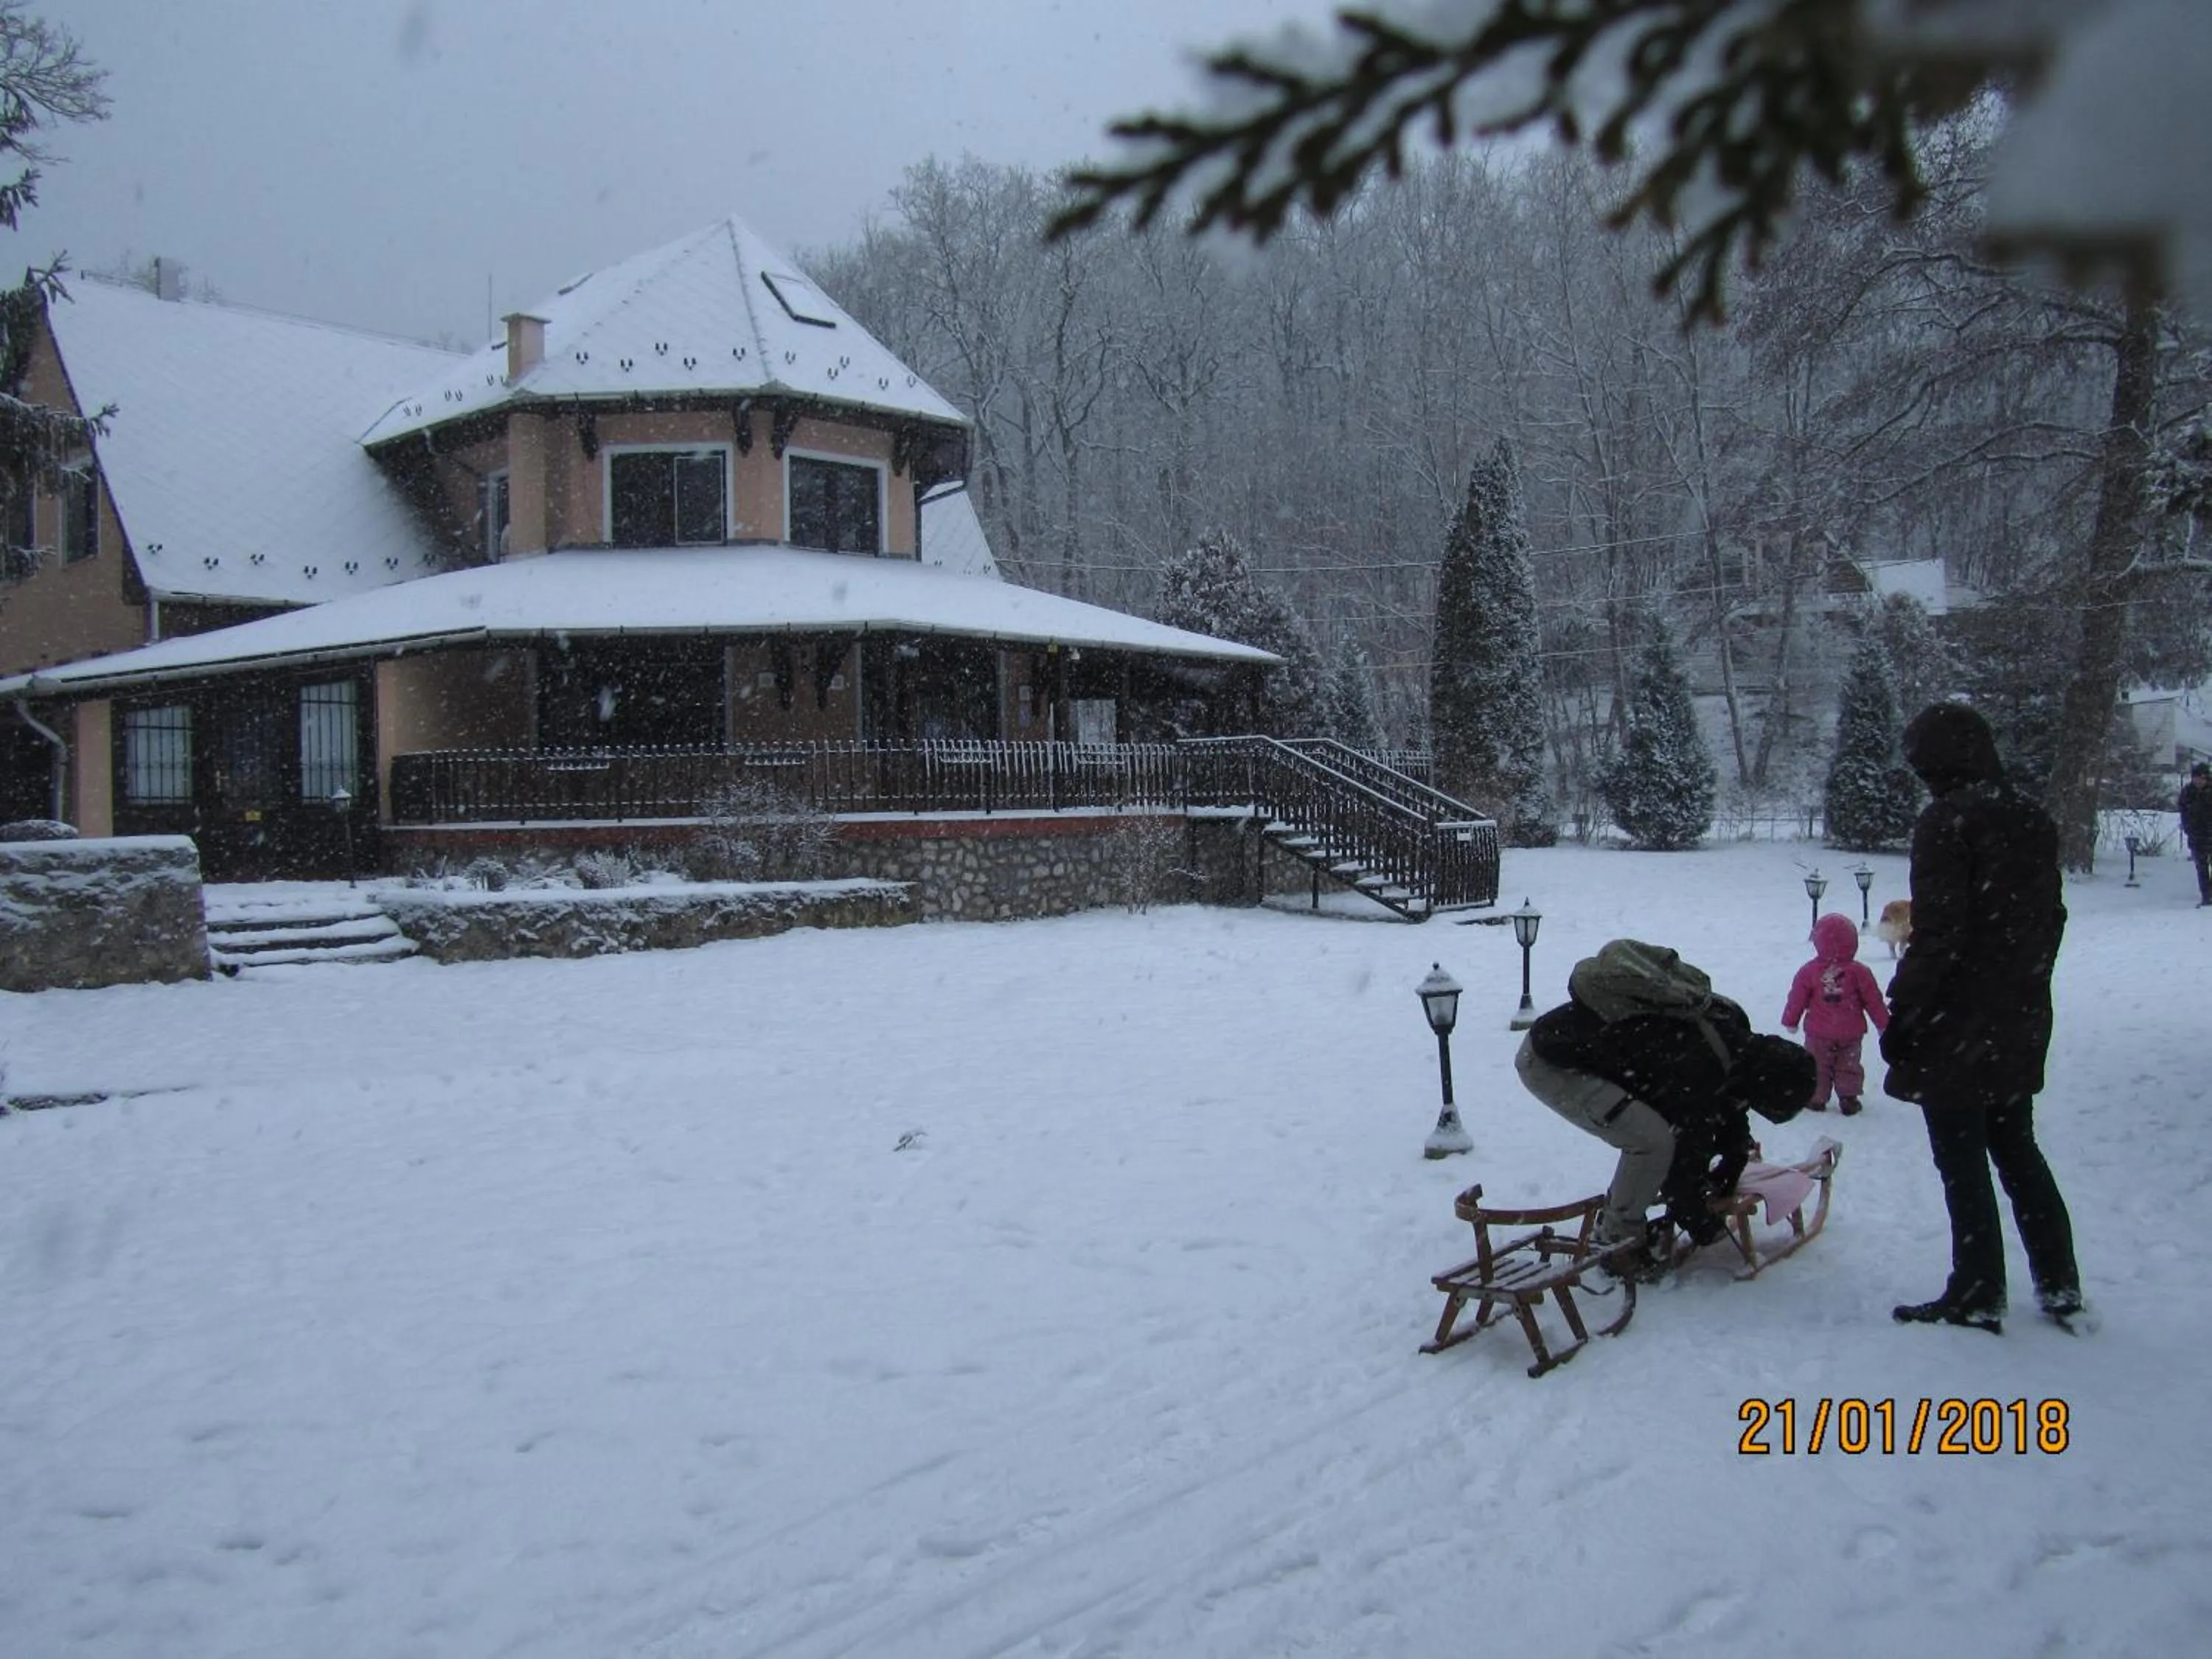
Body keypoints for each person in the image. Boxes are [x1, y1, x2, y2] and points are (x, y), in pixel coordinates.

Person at [1882, 702, 2082, 1335]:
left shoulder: (1948, 821)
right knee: (2017, 1147)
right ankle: (2059, 1283)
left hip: (1958, 1016)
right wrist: (2021, 987)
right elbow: (2050, 919)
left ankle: (1977, 1289)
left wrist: (1908, 1007)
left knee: (1963, 1157)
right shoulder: (2029, 816)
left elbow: (1939, 931)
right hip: (2017, 1009)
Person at [1516, 940, 1814, 1267]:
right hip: (1552, 1063)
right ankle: (1617, 1241)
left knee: (1660, 1136)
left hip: (1584, 1044)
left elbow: (1730, 1103)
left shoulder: (1732, 1031)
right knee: (1651, 1142)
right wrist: (1703, 1224)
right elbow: (1681, 1166)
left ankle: (1623, 1219)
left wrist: (1733, 1157)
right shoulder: (1694, 1070)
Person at [1781, 912, 1890, 1116]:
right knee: (1848, 1064)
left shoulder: (1809, 972)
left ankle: (1816, 1097)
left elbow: (1797, 998)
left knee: (1818, 1065)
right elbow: (1873, 1000)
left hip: (1818, 1031)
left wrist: (1791, 1020)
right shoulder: (1860, 972)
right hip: (1851, 1030)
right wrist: (1883, 1024)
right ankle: (1848, 1096)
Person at [2180, 759, 2212, 908]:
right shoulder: (2187, 793)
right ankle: (2207, 896)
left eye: (2202, 778)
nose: (2198, 781)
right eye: (2196, 778)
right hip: (2196, 836)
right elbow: (2184, 813)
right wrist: (2188, 829)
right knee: (2201, 867)